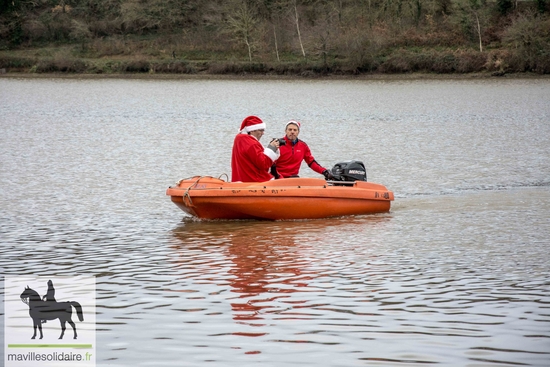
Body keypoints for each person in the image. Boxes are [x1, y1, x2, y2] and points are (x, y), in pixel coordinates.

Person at [231, 115, 280, 182]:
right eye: (261, 130)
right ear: (252, 130)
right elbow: (263, 164)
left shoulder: (239, 140)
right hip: (253, 180)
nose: (263, 133)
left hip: (240, 179)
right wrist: (271, 148)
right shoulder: (252, 144)